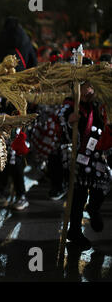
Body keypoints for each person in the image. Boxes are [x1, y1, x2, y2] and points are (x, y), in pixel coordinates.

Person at [59, 79, 111, 249]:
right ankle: (74, 231)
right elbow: (61, 120)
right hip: (78, 157)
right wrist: (69, 121)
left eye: (92, 86)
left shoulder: (98, 105)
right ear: (76, 88)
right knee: (78, 196)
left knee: (104, 184)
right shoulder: (70, 105)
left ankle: (94, 209)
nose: (90, 90)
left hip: (97, 155)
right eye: (86, 86)